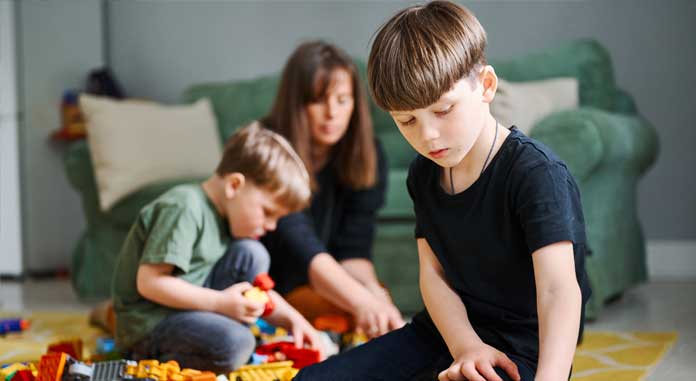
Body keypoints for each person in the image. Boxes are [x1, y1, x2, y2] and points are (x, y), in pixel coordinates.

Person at [294, 2, 591, 381]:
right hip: (446, 334)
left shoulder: (536, 174)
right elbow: (433, 275)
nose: (427, 135)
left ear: (485, 86)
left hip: (523, 349)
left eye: (443, 110)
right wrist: (464, 345)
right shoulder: (424, 174)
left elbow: (558, 291)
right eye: (407, 121)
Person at [111, 123, 323, 373]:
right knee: (236, 344)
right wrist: (221, 304)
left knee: (252, 253)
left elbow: (254, 291)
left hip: (191, 309)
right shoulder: (184, 208)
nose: (271, 226)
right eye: (267, 212)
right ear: (234, 185)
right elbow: (150, 283)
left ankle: (220, 329)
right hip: (150, 324)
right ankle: (164, 352)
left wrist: (294, 320)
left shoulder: (227, 218)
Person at [259, 41, 405, 338]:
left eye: (342, 100)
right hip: (275, 281)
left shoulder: (368, 153)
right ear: (297, 103)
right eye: (318, 100)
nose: (332, 113)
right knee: (353, 307)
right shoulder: (267, 147)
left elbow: (354, 251)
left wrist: (374, 295)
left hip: (327, 278)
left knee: (375, 301)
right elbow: (301, 246)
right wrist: (360, 301)